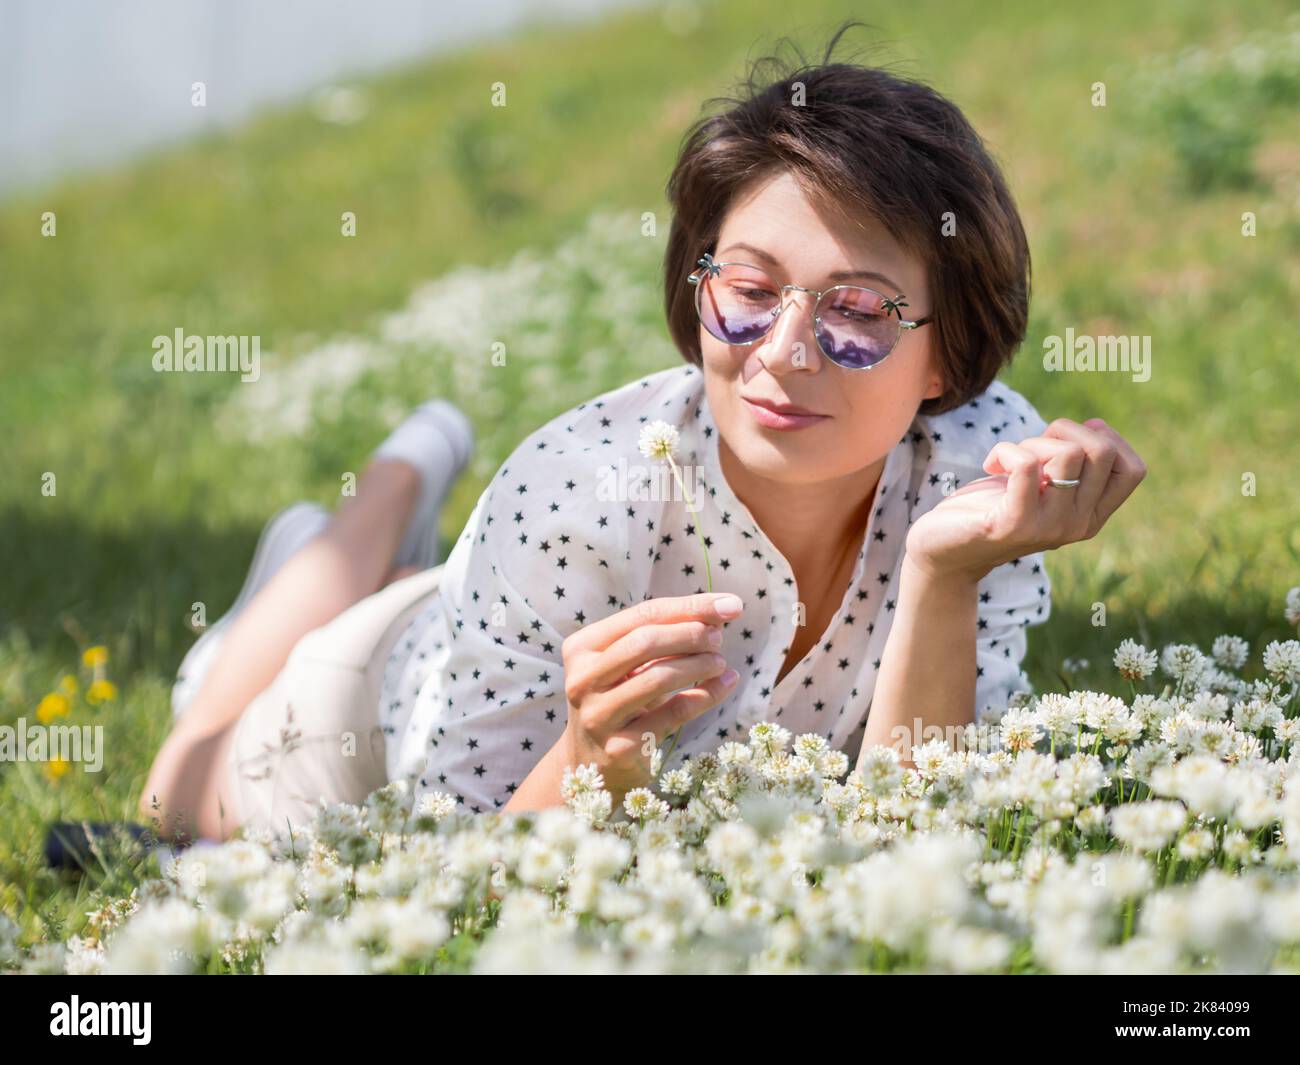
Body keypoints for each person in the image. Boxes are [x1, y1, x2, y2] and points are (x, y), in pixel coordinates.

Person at [138, 26, 1146, 843]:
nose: (785, 351)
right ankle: (393, 484)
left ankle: (392, 511)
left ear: (946, 355)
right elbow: (459, 878)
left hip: (486, 604)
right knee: (169, 801)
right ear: (698, 282)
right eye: (750, 291)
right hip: (367, 717)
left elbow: (909, 841)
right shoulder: (576, 495)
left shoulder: (981, 474)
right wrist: (590, 757)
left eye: (857, 310)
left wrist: (943, 572)